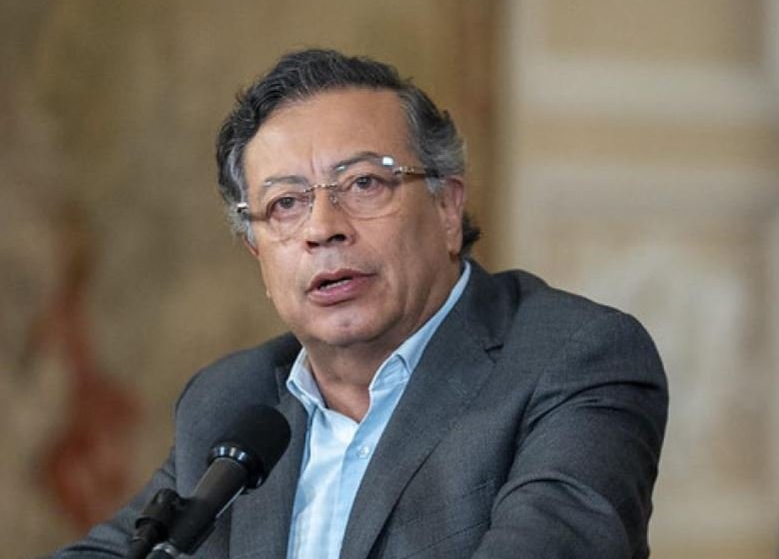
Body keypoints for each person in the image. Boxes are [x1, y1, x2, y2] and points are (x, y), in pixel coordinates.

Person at [52, 49, 668, 558]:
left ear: (448, 207)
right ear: (256, 252)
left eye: (364, 183)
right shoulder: (231, 401)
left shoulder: (575, 359)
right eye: (285, 204)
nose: (323, 228)